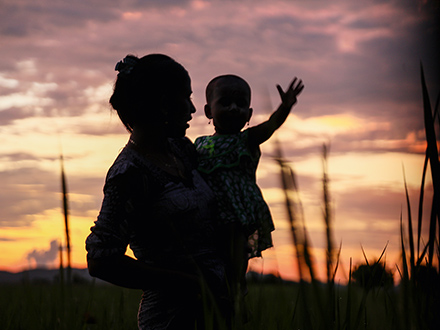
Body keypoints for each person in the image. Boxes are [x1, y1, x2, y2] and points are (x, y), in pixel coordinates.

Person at [85, 54, 231, 330]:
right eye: (185, 98)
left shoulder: (183, 150)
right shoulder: (129, 173)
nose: (192, 109)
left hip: (215, 312)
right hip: (171, 319)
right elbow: (101, 260)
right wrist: (186, 282)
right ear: (163, 103)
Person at [194, 74, 304, 317]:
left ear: (249, 114)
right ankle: (218, 293)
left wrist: (284, 107)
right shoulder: (199, 145)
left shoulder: (247, 140)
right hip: (210, 214)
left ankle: (235, 292)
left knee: (235, 253)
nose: (234, 108)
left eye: (241, 104)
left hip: (237, 212)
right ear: (208, 111)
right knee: (211, 259)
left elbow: (271, 126)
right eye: (225, 103)